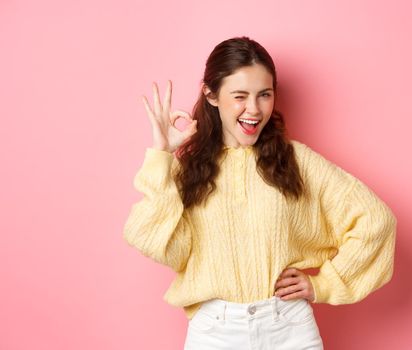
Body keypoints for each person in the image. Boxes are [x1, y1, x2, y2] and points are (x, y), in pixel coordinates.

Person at [123, 36, 397, 350]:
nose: (254, 109)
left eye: (264, 95)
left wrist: (324, 283)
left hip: (288, 329)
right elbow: (151, 239)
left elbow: (376, 220)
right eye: (240, 96)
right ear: (211, 95)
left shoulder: (297, 161)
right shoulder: (187, 171)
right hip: (215, 333)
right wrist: (162, 155)